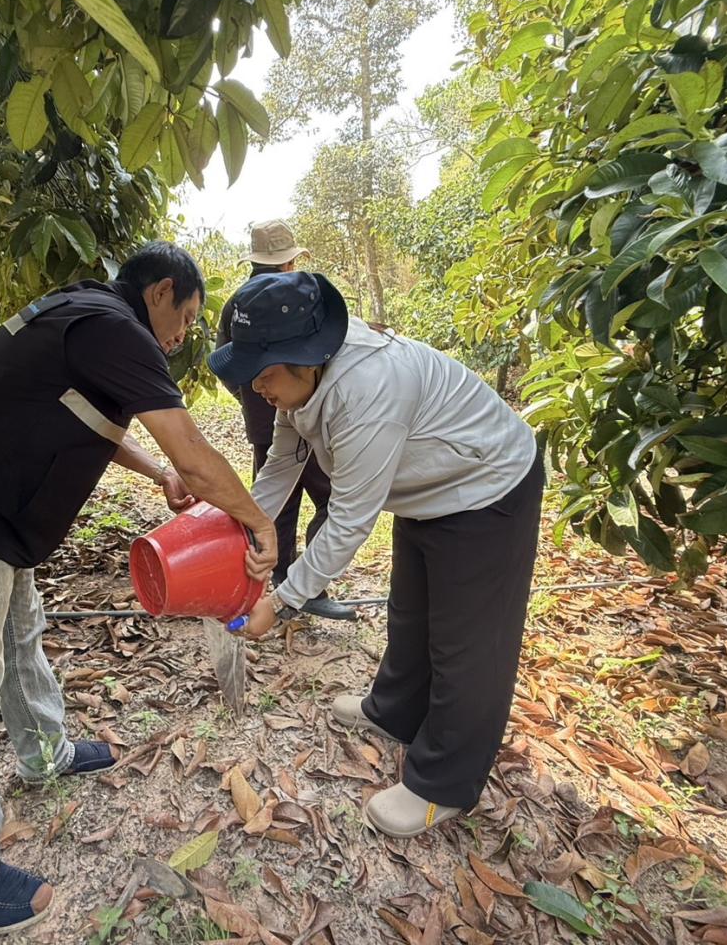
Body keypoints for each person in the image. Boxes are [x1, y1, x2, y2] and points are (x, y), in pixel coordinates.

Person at [0, 242, 277, 934]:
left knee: (21, 637)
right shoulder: (116, 330)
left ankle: (43, 753)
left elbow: (87, 417)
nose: (183, 335)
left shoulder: (83, 311)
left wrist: (154, 471)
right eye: (186, 316)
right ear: (161, 291)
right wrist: (255, 524)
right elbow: (196, 452)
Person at [208, 271, 542, 839]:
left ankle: (444, 784)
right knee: (411, 612)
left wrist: (285, 599)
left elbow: (349, 520)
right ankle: (395, 710)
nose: (256, 388)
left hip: (487, 488)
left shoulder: (369, 389)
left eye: (263, 374)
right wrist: (250, 526)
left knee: (468, 643)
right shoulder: (302, 383)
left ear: (305, 358)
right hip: (429, 491)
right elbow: (283, 462)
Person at [216, 220, 354, 621]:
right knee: (306, 495)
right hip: (284, 418)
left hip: (296, 415)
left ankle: (296, 581)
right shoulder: (263, 304)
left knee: (294, 500)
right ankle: (287, 583)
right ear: (288, 262)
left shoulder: (247, 303)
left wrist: (249, 395)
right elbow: (229, 362)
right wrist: (263, 392)